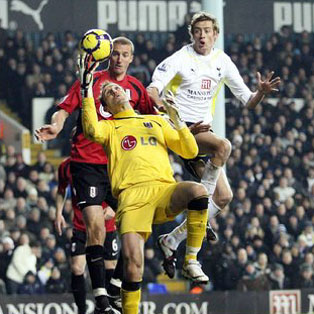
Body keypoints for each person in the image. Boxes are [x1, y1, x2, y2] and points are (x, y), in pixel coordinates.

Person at [147, 11, 281, 278]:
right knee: (224, 147)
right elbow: (152, 90)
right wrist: (171, 116)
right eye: (198, 31)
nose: (202, 35)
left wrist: (261, 93)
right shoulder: (180, 59)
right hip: (180, 131)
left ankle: (170, 240)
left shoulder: (222, 61)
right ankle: (192, 255)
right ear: (192, 34)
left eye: (207, 30)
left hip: (201, 134)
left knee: (224, 197)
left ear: (215, 35)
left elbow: (248, 101)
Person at [79, 54, 209, 314]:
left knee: (198, 191)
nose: (115, 90)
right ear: (105, 106)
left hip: (163, 190)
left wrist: (176, 117)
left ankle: (191, 259)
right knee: (133, 263)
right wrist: (86, 89)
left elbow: (190, 149)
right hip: (131, 199)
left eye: (116, 88)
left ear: (127, 93)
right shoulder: (109, 127)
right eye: (109, 93)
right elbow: (91, 129)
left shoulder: (156, 120)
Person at [35, 36, 156, 313]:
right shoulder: (89, 82)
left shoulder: (136, 88)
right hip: (86, 163)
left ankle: (113, 286)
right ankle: (100, 297)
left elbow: (154, 116)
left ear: (131, 59)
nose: (119, 59)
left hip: (119, 165)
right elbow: (63, 110)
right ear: (107, 55)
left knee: (134, 231)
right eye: (115, 53)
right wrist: (55, 127)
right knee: (96, 227)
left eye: (125, 54)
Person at [55, 157, 118, 314]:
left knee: (110, 268)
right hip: (80, 225)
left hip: (106, 224)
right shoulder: (65, 166)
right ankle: (81, 310)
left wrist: (113, 207)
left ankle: (109, 307)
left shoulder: (106, 160)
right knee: (77, 267)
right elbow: (61, 189)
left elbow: (120, 185)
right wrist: (58, 213)